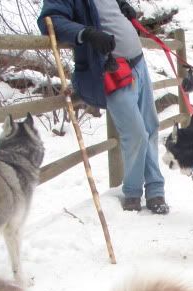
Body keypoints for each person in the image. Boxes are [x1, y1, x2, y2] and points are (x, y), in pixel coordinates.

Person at [38, 0, 169, 214]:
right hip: (112, 70)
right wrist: (86, 33)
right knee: (135, 133)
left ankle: (156, 189)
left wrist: (122, 6)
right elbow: (49, 21)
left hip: (139, 62)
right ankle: (133, 192)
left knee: (151, 126)